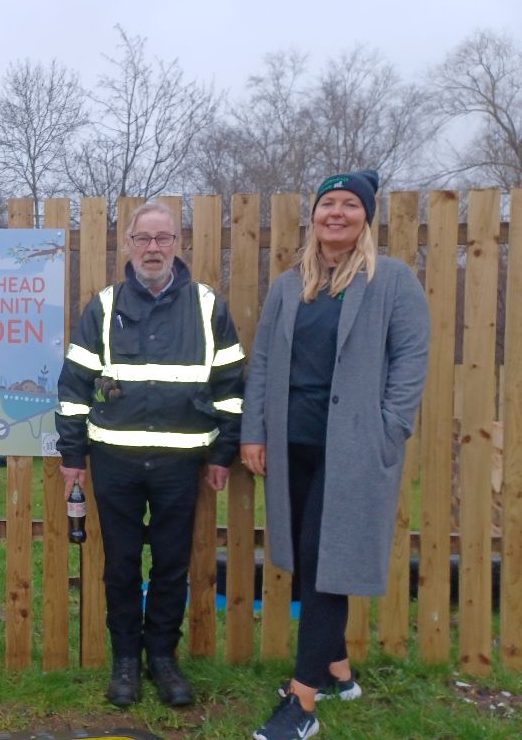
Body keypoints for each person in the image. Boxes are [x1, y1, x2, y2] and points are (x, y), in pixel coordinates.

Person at [241, 171, 429, 740]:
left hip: (351, 448)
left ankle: (303, 703)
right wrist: (255, 431)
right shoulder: (289, 285)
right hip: (291, 440)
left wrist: (389, 429)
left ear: (366, 217)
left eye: (351, 205)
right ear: (314, 216)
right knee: (309, 556)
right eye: (329, 204)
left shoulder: (390, 281)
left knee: (328, 562)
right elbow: (266, 363)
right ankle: (338, 671)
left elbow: (411, 360)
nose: (338, 213)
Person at [55, 202, 245, 708]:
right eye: (144, 239)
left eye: (163, 239)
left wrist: (224, 453)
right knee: (119, 566)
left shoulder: (208, 306)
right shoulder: (102, 306)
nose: (153, 248)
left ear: (178, 243)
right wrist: (72, 453)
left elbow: (230, 388)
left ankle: (162, 658)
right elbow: (74, 387)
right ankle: (124, 662)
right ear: (130, 244)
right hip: (113, 462)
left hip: (181, 465)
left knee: (171, 566)